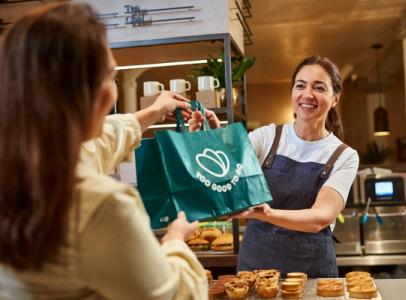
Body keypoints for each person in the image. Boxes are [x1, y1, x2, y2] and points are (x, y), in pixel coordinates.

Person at [0, 3, 207, 299]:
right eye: (110, 75)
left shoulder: (19, 168)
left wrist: (154, 111)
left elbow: (98, 142)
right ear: (84, 93)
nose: (113, 88)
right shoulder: (103, 206)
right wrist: (175, 241)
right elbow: (174, 295)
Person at [189, 55, 359, 277]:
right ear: (292, 93)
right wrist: (207, 141)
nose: (307, 94)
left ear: (335, 98)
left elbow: (320, 218)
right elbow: (225, 179)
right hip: (255, 271)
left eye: (319, 87)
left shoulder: (344, 156)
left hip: (312, 276)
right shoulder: (266, 137)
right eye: (300, 85)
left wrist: (265, 214)